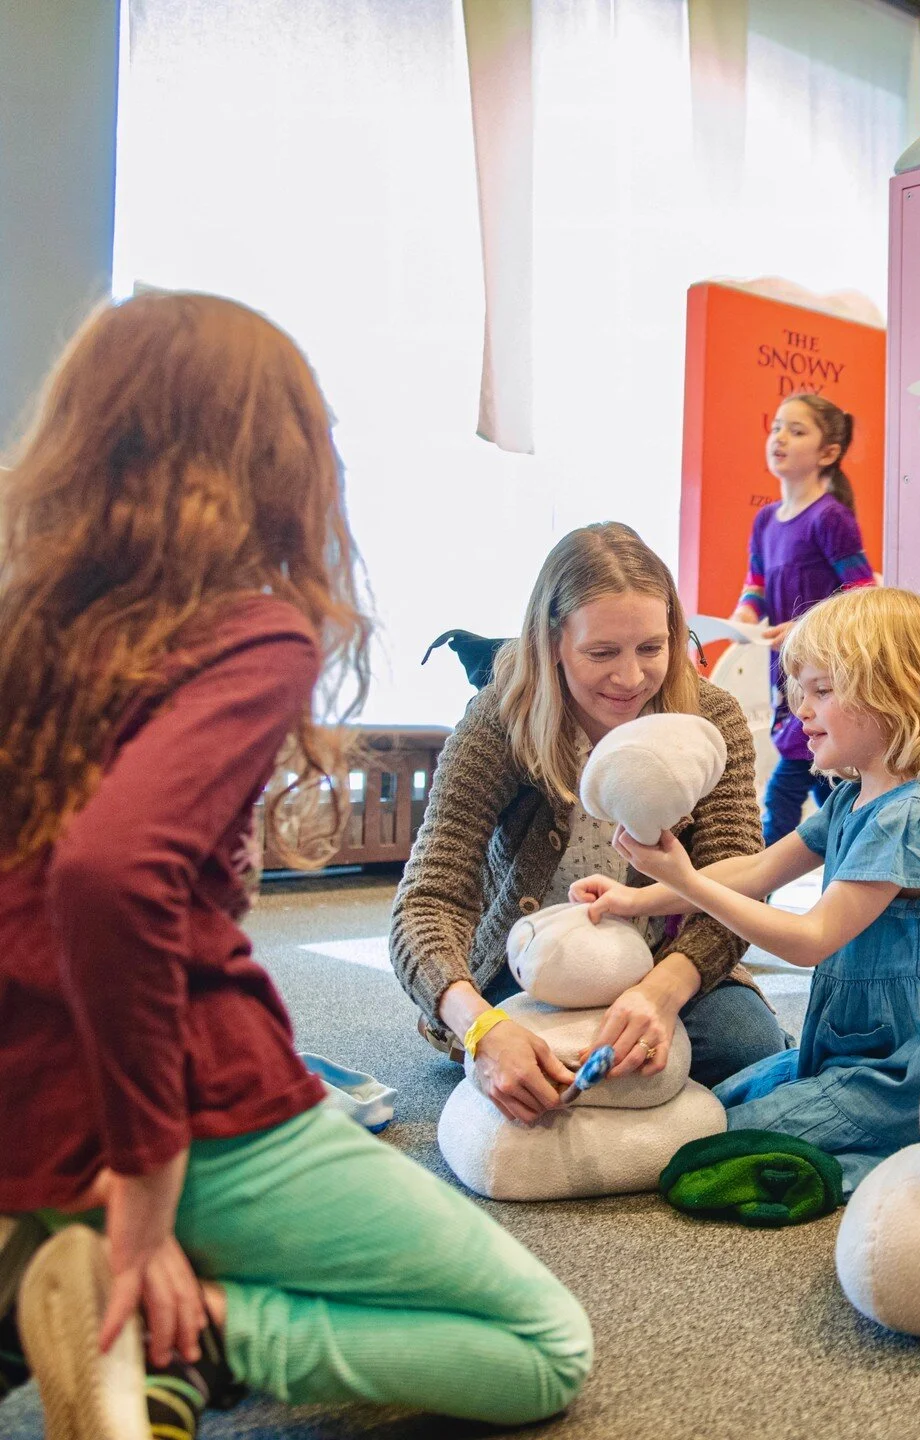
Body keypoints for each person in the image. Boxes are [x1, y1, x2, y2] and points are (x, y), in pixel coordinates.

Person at [0, 293, 592, 1439]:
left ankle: (87, 1291)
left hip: (29, 1086)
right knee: (542, 1345)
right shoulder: (248, 627)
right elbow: (108, 878)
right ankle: (211, 1333)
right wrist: (142, 1181)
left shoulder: (31, 626)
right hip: (185, 1101)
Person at [573, 586, 920, 1194]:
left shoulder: (914, 818)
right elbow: (755, 871)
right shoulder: (854, 797)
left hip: (905, 1074)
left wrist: (684, 878)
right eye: (803, 691)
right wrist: (639, 896)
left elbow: (810, 940)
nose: (803, 710)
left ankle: (914, 1147)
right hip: (845, 1049)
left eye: (823, 691)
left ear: (895, 695)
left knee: (704, 1141)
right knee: (710, 1101)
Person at [390, 521, 786, 1123]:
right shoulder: (500, 721)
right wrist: (480, 1028)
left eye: (651, 649)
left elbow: (733, 884)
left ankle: (591, 1071)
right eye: (601, 653)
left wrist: (661, 990)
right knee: (513, 1048)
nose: (629, 679)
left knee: (744, 1045)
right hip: (527, 968)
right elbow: (428, 897)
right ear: (551, 642)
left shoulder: (712, 718)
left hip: (662, 957)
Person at [730, 393, 876, 846]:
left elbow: (862, 593)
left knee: (782, 793)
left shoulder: (831, 518)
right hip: (784, 674)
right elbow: (756, 581)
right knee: (827, 784)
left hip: (823, 675)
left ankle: (757, 895)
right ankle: (851, 862)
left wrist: (806, 627)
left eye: (797, 431)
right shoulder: (765, 520)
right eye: (776, 427)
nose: (780, 438)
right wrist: (743, 616)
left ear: (827, 453)